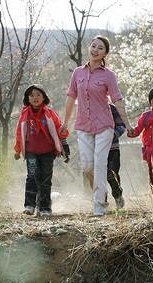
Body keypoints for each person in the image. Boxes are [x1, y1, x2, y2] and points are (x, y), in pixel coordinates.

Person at [59, 35, 134, 216]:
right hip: (83, 125)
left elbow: (117, 100)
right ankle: (102, 193)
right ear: (89, 48)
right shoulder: (78, 73)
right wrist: (65, 122)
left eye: (100, 48)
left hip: (104, 126)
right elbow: (71, 97)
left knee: (101, 165)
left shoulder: (109, 75)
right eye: (94, 46)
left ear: (105, 53)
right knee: (87, 167)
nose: (95, 50)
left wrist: (128, 124)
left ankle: (99, 206)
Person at [14, 84, 70, 217]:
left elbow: (59, 131)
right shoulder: (24, 114)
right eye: (32, 95)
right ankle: (30, 206)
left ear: (44, 97)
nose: (35, 98)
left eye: (38, 95)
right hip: (31, 152)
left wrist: (64, 150)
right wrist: (17, 150)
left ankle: (44, 207)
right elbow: (19, 133)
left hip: (47, 153)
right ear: (27, 99)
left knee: (45, 179)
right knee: (32, 176)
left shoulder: (50, 114)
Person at [107, 103, 126, 209]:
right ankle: (102, 201)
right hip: (95, 149)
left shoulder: (112, 109)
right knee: (100, 175)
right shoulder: (88, 108)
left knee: (112, 174)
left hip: (113, 148)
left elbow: (121, 125)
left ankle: (117, 195)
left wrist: (114, 135)